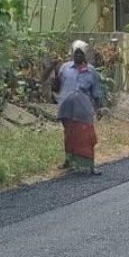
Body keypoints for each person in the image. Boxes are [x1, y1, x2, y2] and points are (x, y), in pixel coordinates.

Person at [54, 40, 103, 175]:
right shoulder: (64, 68)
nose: (78, 56)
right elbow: (56, 84)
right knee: (69, 136)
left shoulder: (91, 72)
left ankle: (89, 166)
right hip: (66, 109)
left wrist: (99, 109)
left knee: (87, 137)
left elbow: (96, 93)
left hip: (83, 111)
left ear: (85, 55)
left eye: (81, 53)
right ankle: (69, 162)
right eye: (76, 53)